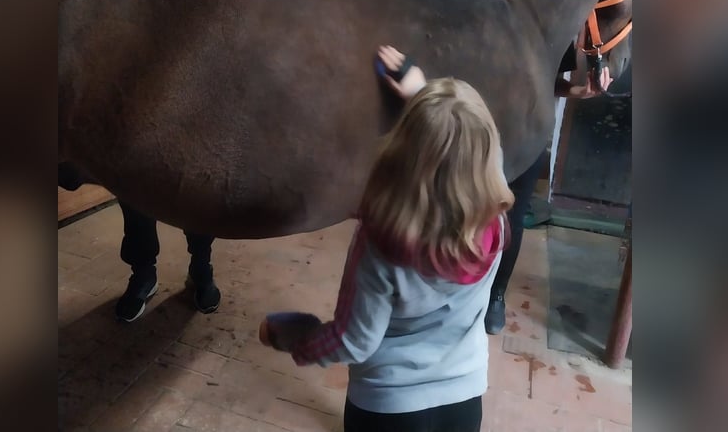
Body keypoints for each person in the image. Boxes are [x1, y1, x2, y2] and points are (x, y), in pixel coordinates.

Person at [260, 51, 515, 432]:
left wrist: (299, 337)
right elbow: (467, 150)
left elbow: (354, 341)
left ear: (403, 153)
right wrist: (423, 94)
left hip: (387, 407)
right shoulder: (494, 214)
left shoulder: (381, 245)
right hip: (463, 401)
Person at [379, 43, 614, 335]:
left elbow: (355, 338)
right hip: (478, 124)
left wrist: (421, 95)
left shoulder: (376, 257)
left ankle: (496, 295)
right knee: (497, 216)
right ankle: (486, 296)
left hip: (486, 124)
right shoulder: (497, 223)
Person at [102, 0, 221, 322]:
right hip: (125, 107)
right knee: (135, 199)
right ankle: (142, 275)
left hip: (186, 104)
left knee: (196, 195)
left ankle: (202, 271)